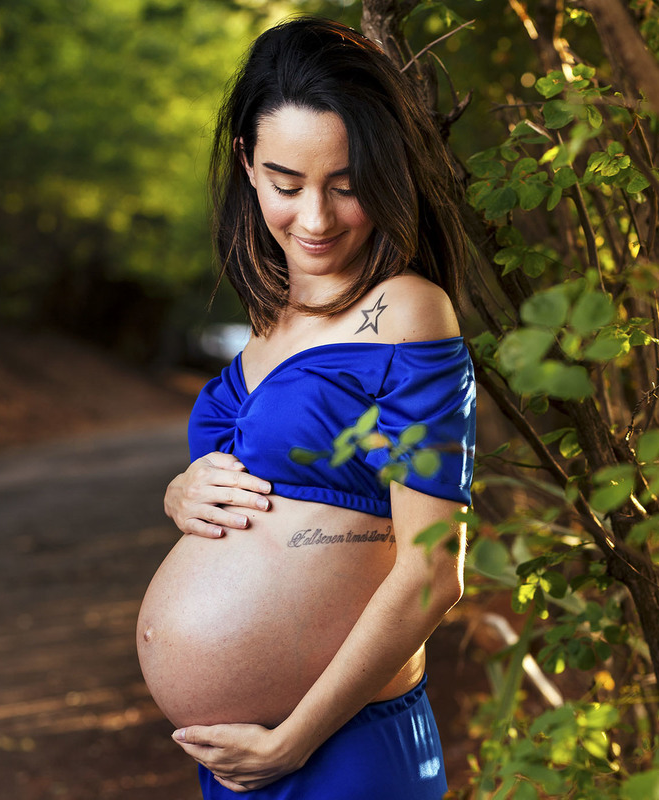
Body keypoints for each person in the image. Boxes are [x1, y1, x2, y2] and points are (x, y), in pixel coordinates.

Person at [135, 16, 475, 798]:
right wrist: (179, 492)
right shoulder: (267, 326)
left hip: (336, 748)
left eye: (347, 185)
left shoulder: (406, 313)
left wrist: (294, 741)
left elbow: (433, 569)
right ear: (247, 166)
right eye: (287, 184)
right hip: (237, 761)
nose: (315, 219)